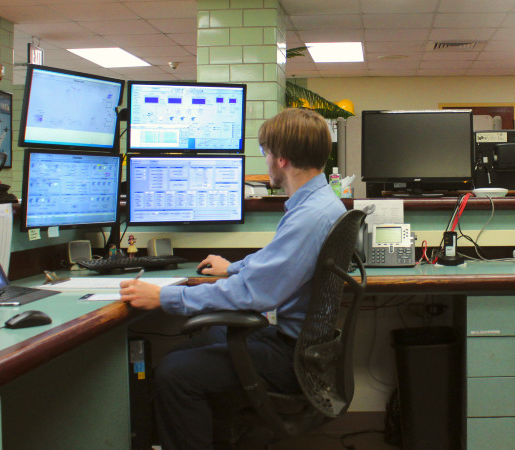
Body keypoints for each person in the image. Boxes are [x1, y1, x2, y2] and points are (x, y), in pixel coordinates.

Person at [119, 108, 346, 450]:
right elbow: (276, 261)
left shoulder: (309, 216)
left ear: (281, 158)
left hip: (292, 358)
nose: (265, 159)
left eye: (265, 152)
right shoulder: (320, 203)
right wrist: (233, 267)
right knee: (204, 337)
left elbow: (254, 293)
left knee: (173, 374)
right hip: (304, 345)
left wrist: (163, 298)